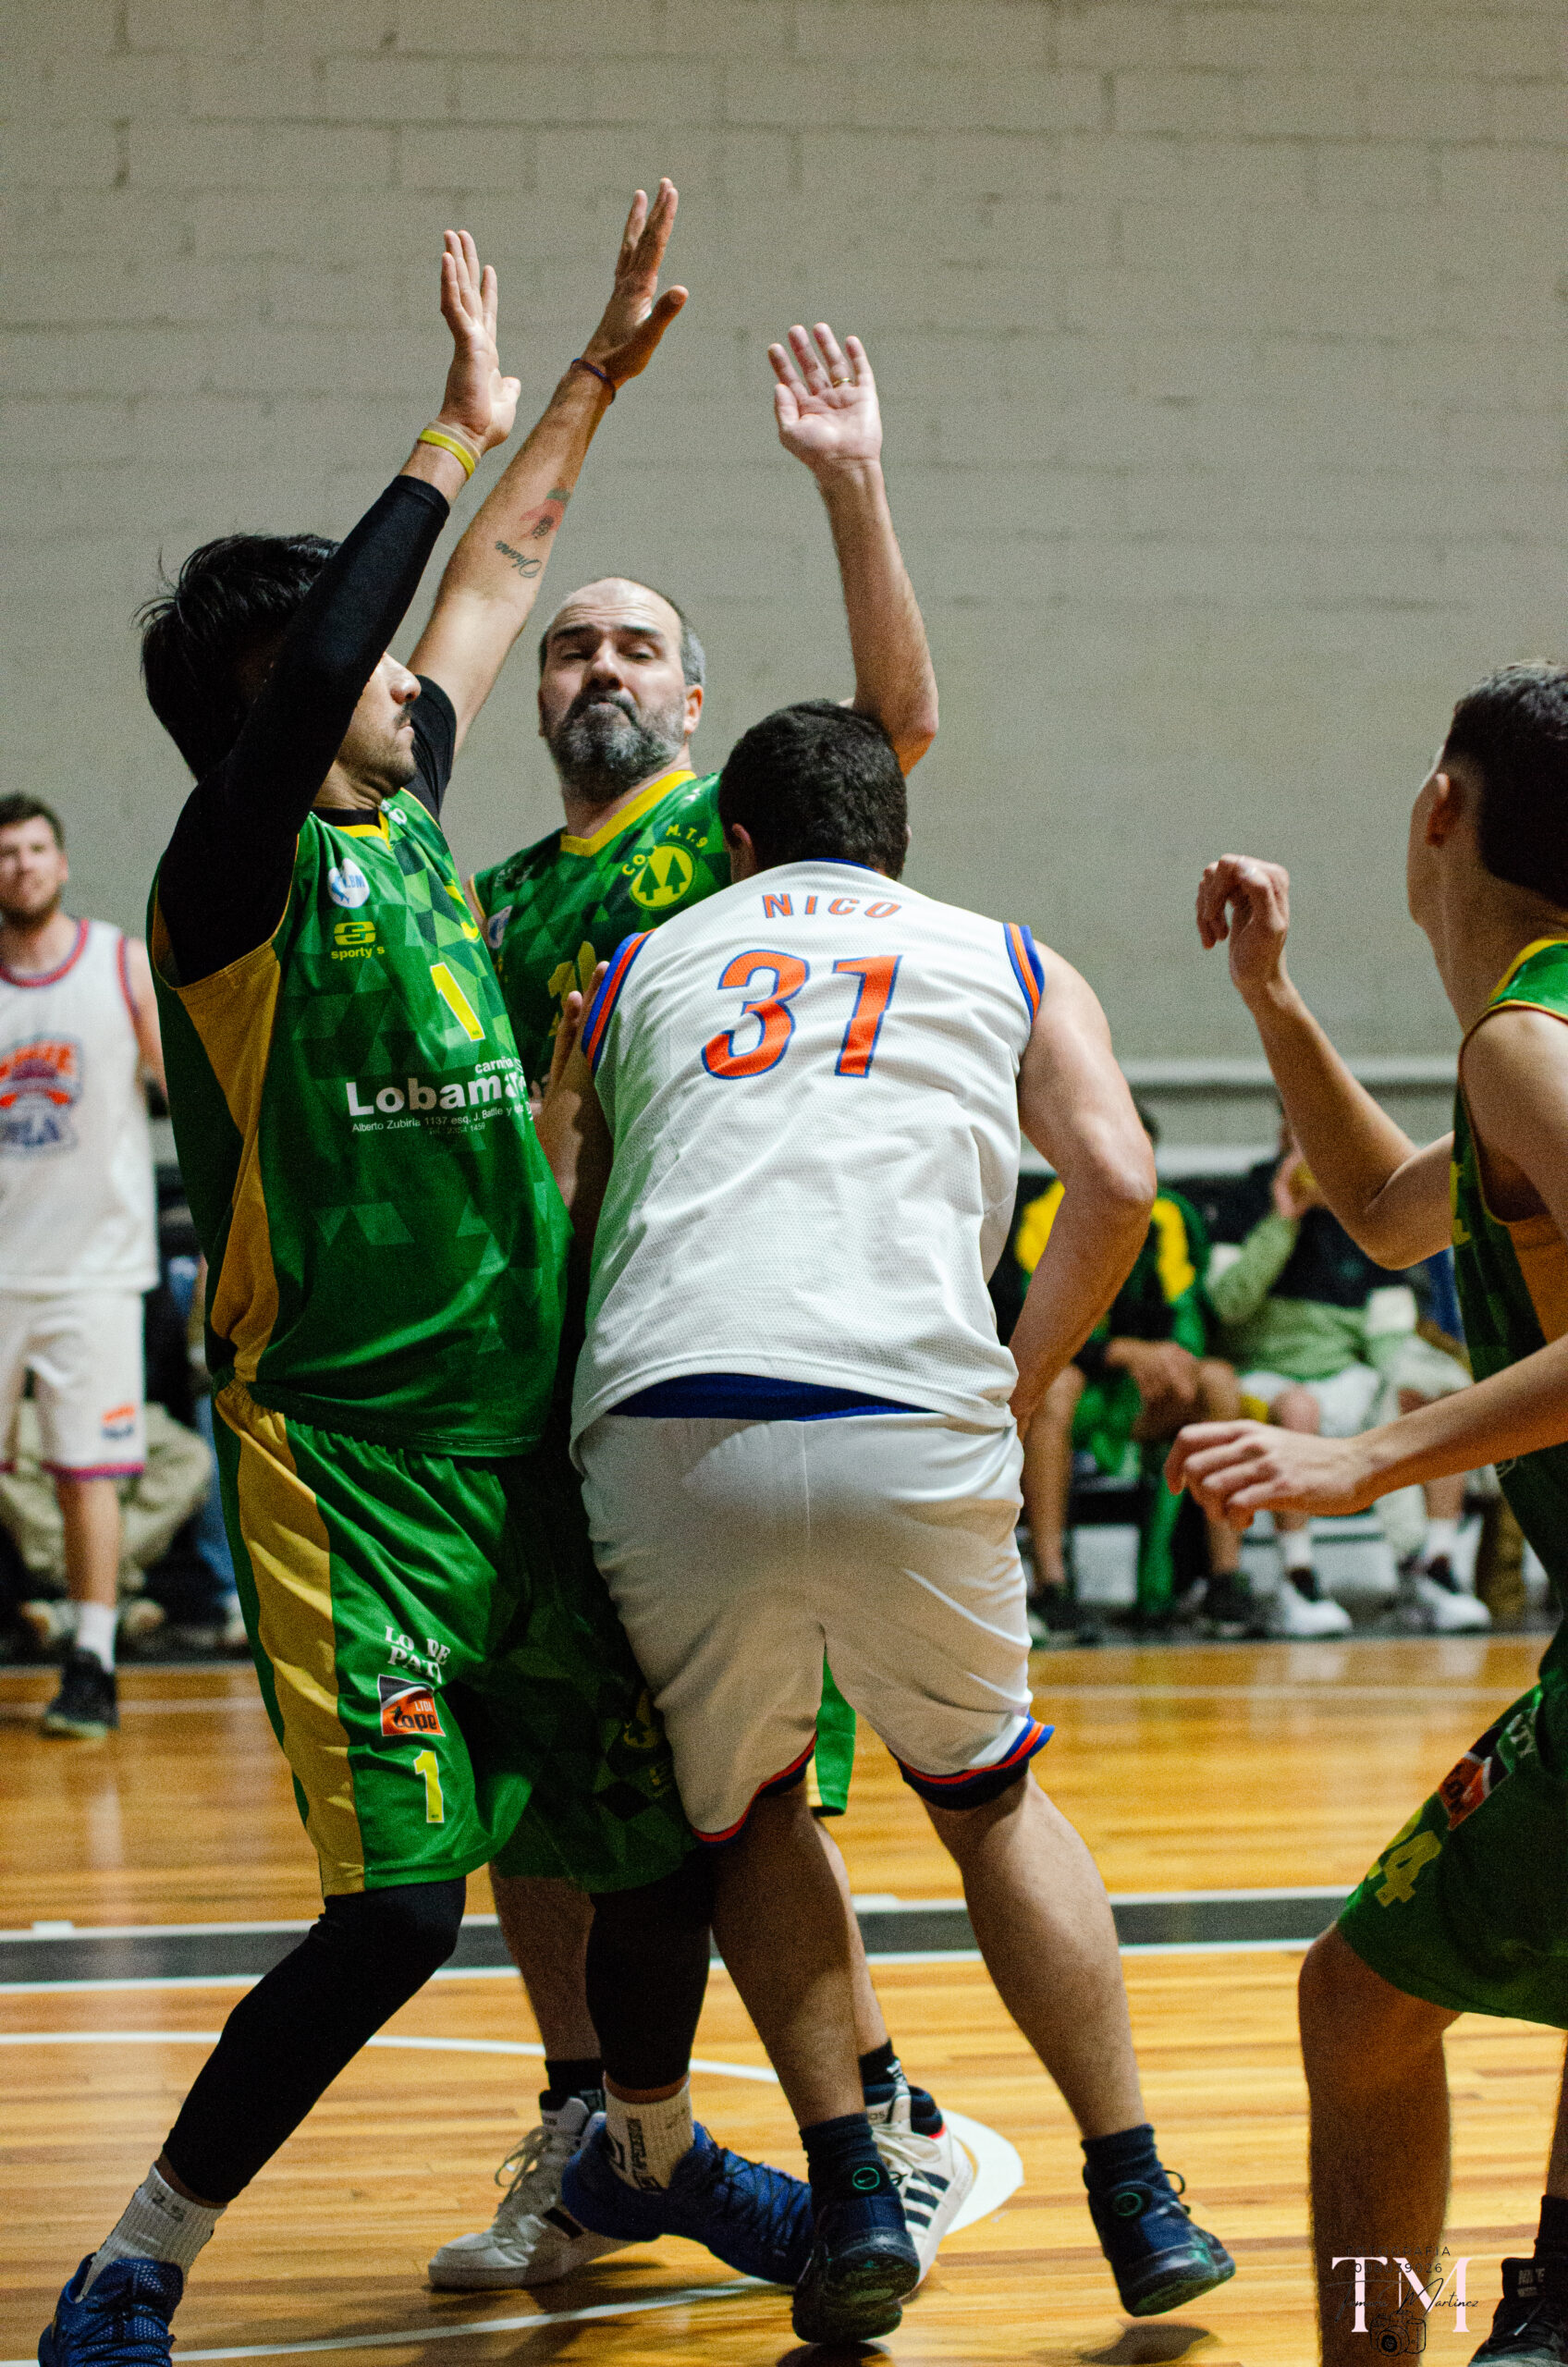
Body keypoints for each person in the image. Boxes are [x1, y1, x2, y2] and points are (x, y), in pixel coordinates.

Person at [40, 208, 818, 2367]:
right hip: (353, 1459)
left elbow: (490, 574)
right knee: (394, 1907)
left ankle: (647, 2146)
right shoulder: (226, 880)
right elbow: (365, 637)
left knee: (645, 1840)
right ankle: (140, 2251)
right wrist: (444, 424)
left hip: (531, 1437)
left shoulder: (405, 815)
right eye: (362, 663)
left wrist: (583, 382)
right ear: (280, 699)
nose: (415, 676)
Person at [537, 701, 1235, 2344]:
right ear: (897, 841)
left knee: (754, 1813)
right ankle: (1135, 2192)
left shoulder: (635, 968)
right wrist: (1018, 1374)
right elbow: (1118, 1179)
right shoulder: (1008, 957)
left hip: (671, 1412)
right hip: (905, 1405)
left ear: (735, 845)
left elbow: (568, 1209)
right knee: (988, 1798)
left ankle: (851, 2186)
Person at [431, 316, 962, 2289]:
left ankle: (880, 2115)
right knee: (535, 1777)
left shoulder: (719, 848)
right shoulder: (480, 900)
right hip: (540, 1389)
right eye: (568, 644)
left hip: (715, 1370)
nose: (596, 667)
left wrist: (851, 482)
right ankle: (586, 2123)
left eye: (634, 646)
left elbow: (892, 728)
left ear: (694, 697)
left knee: (738, 1791)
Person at [1170, 669, 1568, 2366]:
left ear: (1438, 811)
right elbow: (1393, 1213)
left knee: (1358, 2000)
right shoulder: (1530, 1042)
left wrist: (1366, 1461)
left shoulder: (1524, 1043)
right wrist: (1272, 999)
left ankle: (1379, 2350)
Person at [0, 796, 165, 1738]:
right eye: (6, 853)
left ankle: (93, 1659)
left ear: (61, 864)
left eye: (35, 850)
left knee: (85, 1474)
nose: (21, 865)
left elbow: (180, 1083)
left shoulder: (119, 963)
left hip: (95, 1267)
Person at [1014, 1117, 1249, 1637]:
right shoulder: (1043, 1213)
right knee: (1056, 1388)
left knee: (1216, 1382)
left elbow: (1183, 1310)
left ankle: (1223, 1579)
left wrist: (1171, 1360)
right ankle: (1051, 1583)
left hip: (1143, 1396)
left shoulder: (1170, 1214)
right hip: (1081, 1388)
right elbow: (1036, 1330)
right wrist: (1122, 1353)